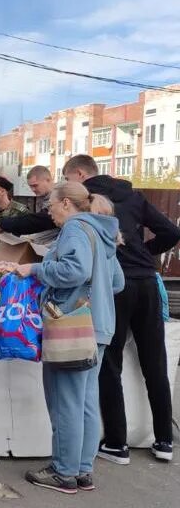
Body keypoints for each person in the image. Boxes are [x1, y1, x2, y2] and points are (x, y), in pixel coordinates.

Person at [62, 154, 180, 464]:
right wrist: (145, 252)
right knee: (155, 362)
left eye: (67, 179)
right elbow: (171, 231)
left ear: (79, 174)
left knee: (109, 361)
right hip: (148, 283)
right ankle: (164, 440)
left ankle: (117, 442)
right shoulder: (134, 195)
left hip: (117, 285)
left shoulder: (88, 200)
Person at [14, 182, 124, 493]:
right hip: (99, 326)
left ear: (66, 203)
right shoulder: (102, 232)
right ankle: (82, 470)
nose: (48, 211)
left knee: (65, 402)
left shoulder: (75, 229)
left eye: (50, 205)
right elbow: (117, 282)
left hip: (72, 325)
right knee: (86, 401)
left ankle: (63, 472)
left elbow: (75, 271)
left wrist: (37, 269)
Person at [0, 165, 56, 236]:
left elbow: (39, 221)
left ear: (48, 180)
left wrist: (4, 223)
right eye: (30, 186)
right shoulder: (43, 197)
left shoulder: (59, 196)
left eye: (35, 185)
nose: (32, 190)